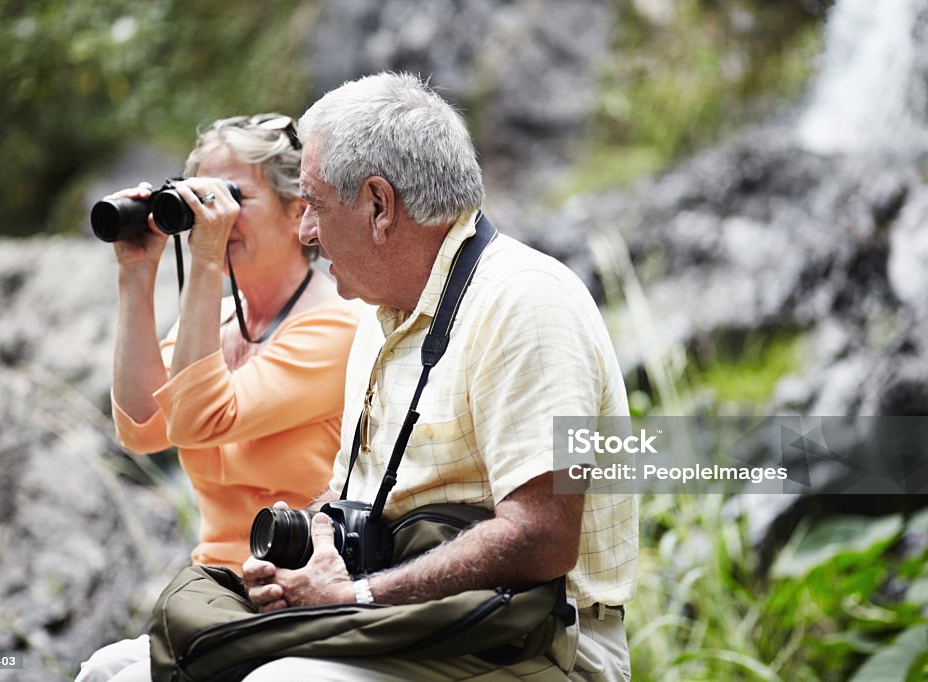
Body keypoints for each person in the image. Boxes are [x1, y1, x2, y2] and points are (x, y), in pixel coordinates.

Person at [240, 73, 638, 681]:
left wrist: (359, 599)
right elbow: (355, 492)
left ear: (378, 204)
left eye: (315, 205)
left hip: (541, 643)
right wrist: (311, 554)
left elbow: (541, 537)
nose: (306, 234)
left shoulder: (526, 301)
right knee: (119, 668)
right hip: (406, 621)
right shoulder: (377, 317)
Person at [76, 113, 363, 682]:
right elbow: (141, 427)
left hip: (291, 595)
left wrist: (204, 260)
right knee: (99, 669)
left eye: (233, 197)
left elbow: (204, 418)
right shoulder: (220, 327)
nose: (216, 215)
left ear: (297, 210)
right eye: (202, 198)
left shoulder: (336, 327)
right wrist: (137, 275)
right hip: (212, 592)